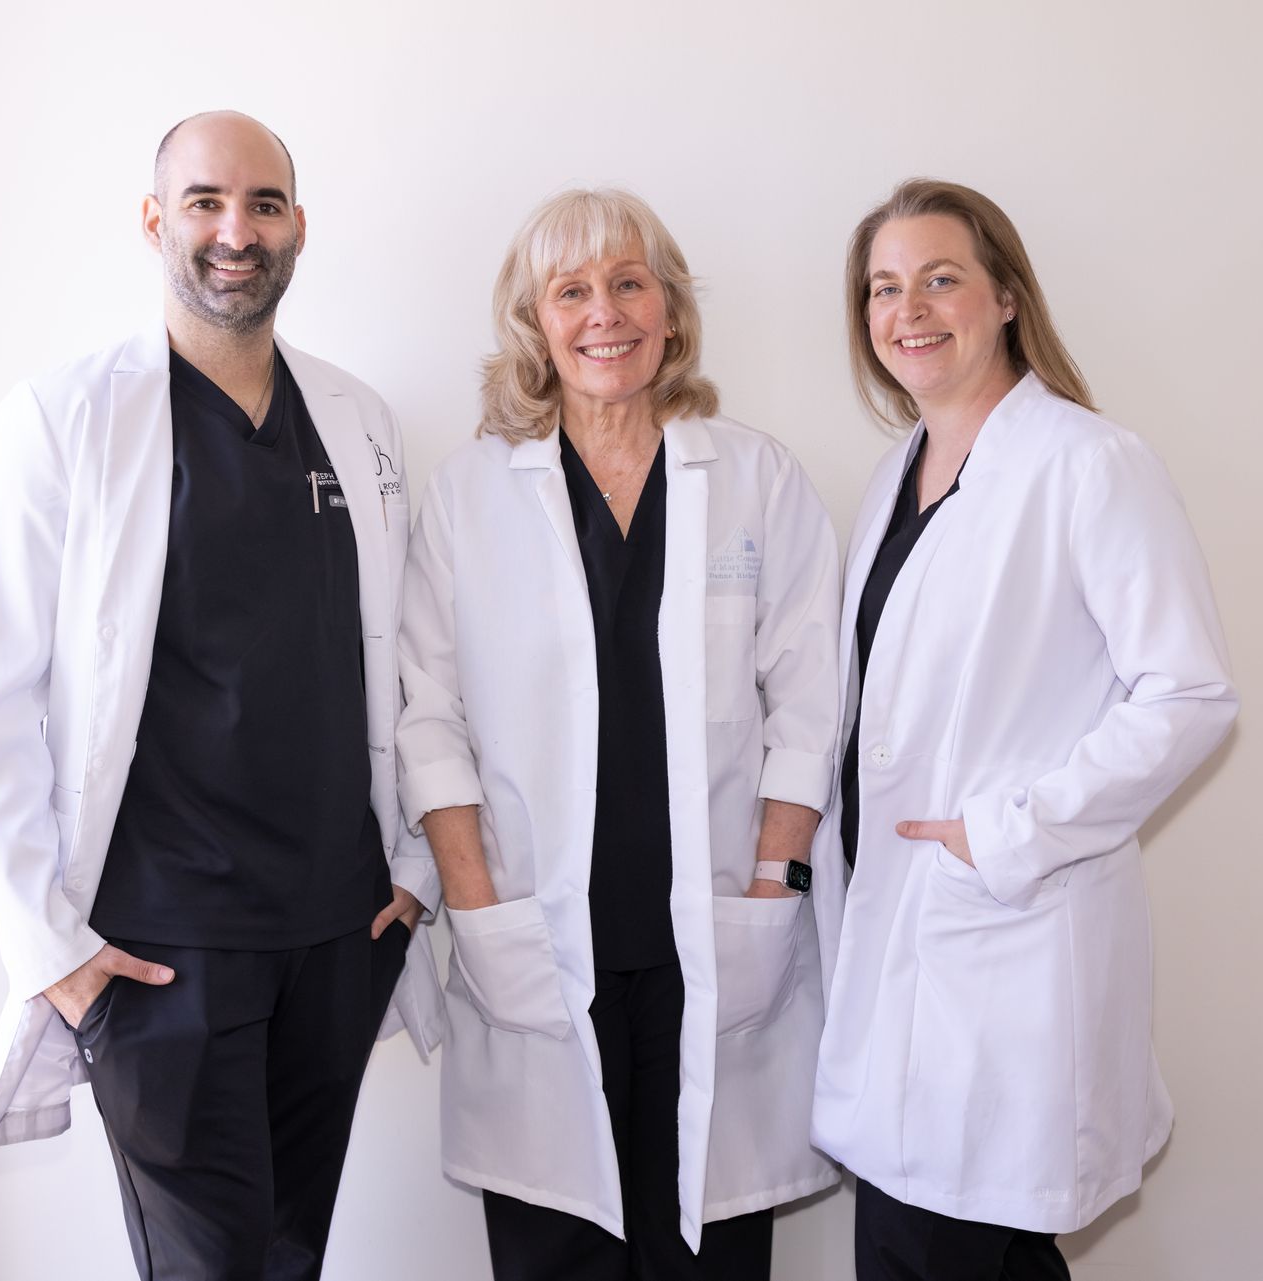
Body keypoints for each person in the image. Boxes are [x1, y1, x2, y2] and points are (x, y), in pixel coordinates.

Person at [0, 109, 441, 1281]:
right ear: (155, 220)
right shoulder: (64, 420)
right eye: (208, 202)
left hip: (335, 933)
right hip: (164, 953)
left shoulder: (355, 419)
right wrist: (47, 950)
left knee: (289, 1259)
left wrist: (412, 876)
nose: (237, 231)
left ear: (299, 228)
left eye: (264, 205)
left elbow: (408, 659)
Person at [395, 188, 842, 1281]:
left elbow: (810, 701)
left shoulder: (754, 479)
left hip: (714, 942)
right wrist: (483, 908)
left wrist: (776, 887)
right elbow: (427, 721)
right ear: (535, 324)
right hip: (540, 952)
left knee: (710, 1255)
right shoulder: (469, 498)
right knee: (558, 1257)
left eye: (630, 282)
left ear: (673, 311)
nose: (605, 312)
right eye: (572, 289)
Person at [809, 177, 1239, 1280]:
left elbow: (1189, 696)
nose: (910, 308)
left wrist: (1009, 831)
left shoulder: (1088, 464)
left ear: (1005, 296)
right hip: (910, 939)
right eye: (885, 288)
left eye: (941, 278)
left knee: (946, 1249)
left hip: (1004, 930)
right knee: (940, 1248)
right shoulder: (895, 476)